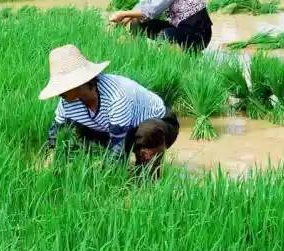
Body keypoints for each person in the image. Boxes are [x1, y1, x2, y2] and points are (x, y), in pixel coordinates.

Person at [39, 44, 179, 177]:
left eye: (62, 86)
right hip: (117, 130)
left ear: (78, 83)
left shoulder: (116, 96)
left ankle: (148, 180)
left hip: (159, 126)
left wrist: (107, 178)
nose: (58, 92)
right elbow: (55, 133)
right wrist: (50, 160)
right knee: (76, 131)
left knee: (148, 132)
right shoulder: (67, 101)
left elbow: (117, 147)